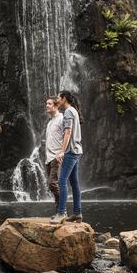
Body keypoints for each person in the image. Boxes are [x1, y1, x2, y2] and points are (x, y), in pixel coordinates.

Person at [50, 90, 84, 224]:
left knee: (61, 181)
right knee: (74, 182)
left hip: (71, 151)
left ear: (64, 99)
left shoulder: (69, 112)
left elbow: (68, 132)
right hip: (76, 150)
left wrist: (61, 151)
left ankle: (61, 212)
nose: (57, 99)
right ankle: (77, 213)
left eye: (58, 97)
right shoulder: (73, 110)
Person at [44, 96, 63, 214]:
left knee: (52, 183)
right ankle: (59, 208)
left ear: (56, 106)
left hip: (56, 156)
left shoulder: (61, 118)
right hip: (48, 157)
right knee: (51, 184)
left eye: (49, 104)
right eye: (46, 103)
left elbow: (67, 135)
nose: (46, 105)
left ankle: (61, 208)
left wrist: (62, 152)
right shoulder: (50, 121)